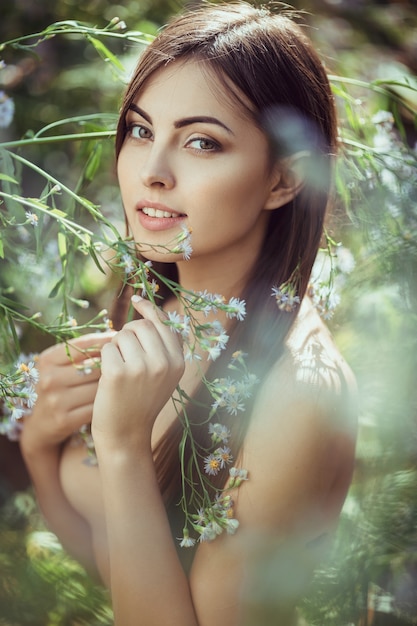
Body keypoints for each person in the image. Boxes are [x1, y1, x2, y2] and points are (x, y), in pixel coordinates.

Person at [19, 3, 357, 624]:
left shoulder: (295, 393)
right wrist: (40, 447)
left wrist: (121, 448)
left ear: (284, 180)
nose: (151, 173)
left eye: (202, 142)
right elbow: (113, 567)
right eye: (142, 131)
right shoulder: (155, 302)